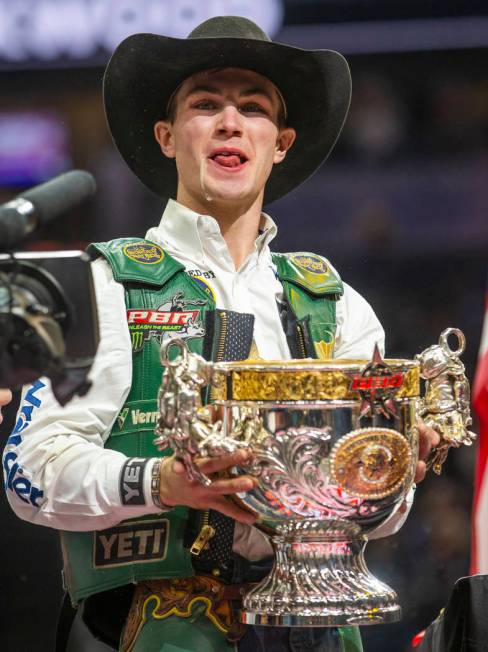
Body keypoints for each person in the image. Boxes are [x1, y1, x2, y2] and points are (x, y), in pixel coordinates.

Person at [3, 16, 439, 652]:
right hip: (146, 628)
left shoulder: (335, 304)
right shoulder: (106, 285)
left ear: (280, 143)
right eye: (205, 105)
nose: (230, 122)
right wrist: (160, 482)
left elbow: (378, 518)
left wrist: (392, 474)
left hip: (315, 628)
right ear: (168, 136)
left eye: (253, 108)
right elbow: (30, 471)